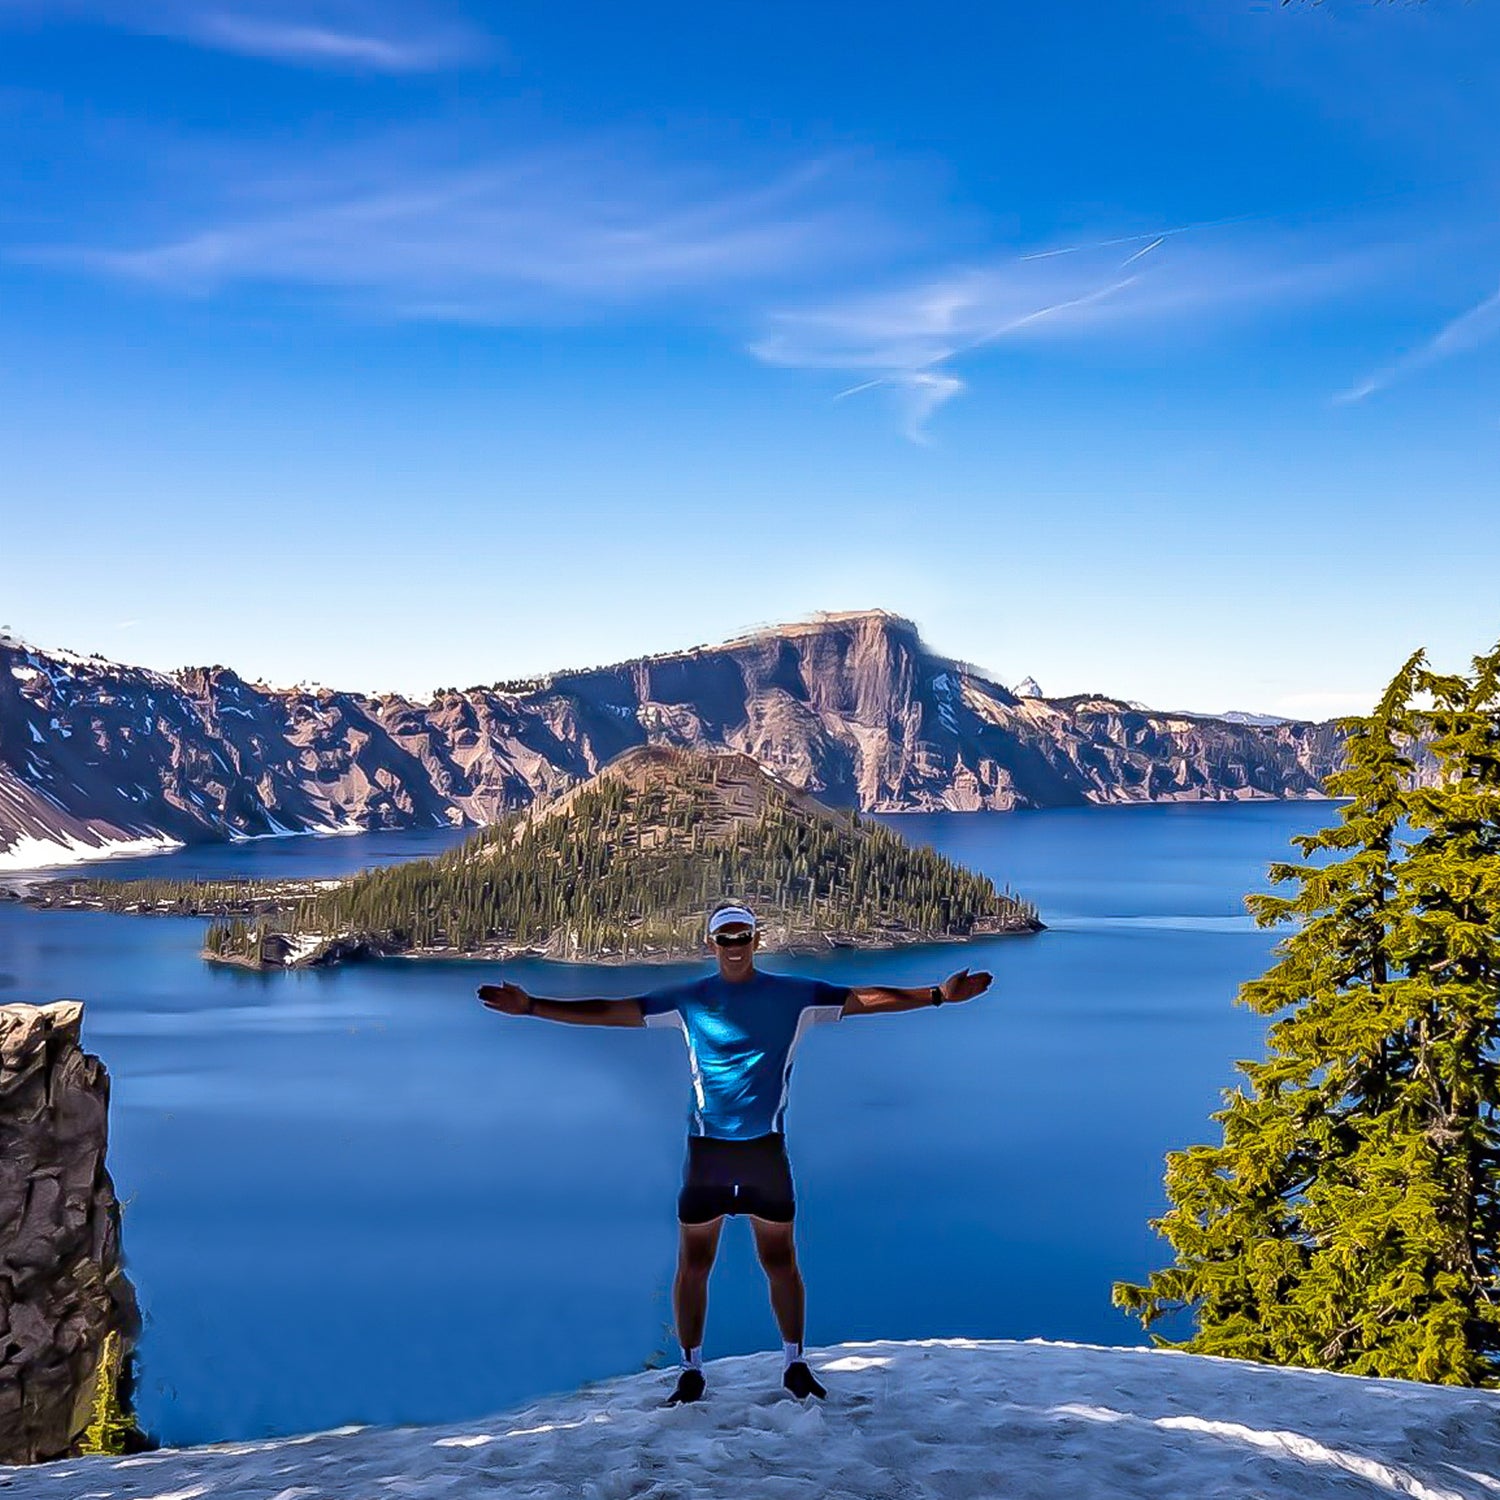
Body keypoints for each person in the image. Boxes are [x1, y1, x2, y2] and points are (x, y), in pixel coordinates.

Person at [477, 900, 993, 1406]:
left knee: (780, 1260)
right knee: (695, 1263)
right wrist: (532, 1006)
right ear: (712, 944)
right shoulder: (688, 1000)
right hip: (709, 1155)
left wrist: (938, 996)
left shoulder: (797, 996)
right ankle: (691, 1371)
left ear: (756, 939)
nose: (734, 946)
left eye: (742, 936)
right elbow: (612, 1011)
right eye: (725, 938)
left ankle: (794, 1364)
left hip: (764, 1152)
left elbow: (865, 999)